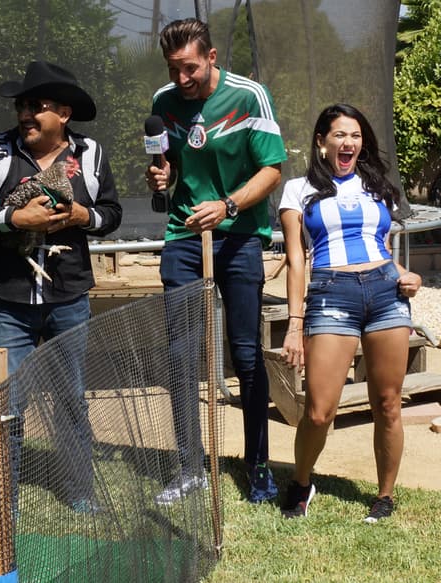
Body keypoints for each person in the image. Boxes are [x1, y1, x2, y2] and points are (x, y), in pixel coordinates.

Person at [0, 61, 122, 511]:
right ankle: (4, 492)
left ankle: (78, 490)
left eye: (38, 105)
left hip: (68, 294)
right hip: (11, 295)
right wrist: (15, 218)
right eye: (22, 106)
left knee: (71, 396)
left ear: (64, 114)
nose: (26, 114)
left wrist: (80, 217)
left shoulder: (90, 154)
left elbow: (111, 214)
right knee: (8, 397)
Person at [145, 18, 285, 504]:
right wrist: (161, 179)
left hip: (240, 237)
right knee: (182, 355)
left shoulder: (249, 96)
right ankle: (189, 467)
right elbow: (168, 163)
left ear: (212, 57)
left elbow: (272, 169)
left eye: (190, 68)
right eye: (173, 69)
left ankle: (259, 465)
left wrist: (227, 206)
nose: (182, 79)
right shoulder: (164, 102)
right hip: (184, 236)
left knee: (245, 355)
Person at [277, 103, 422, 522]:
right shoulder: (297, 190)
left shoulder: (378, 185)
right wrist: (294, 324)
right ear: (322, 142)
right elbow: (297, 259)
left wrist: (405, 274)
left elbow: (383, 246)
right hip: (330, 294)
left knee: (388, 402)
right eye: (340, 135)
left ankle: (384, 496)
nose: (349, 143)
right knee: (320, 410)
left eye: (355, 135)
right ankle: (303, 482)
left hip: (384, 292)